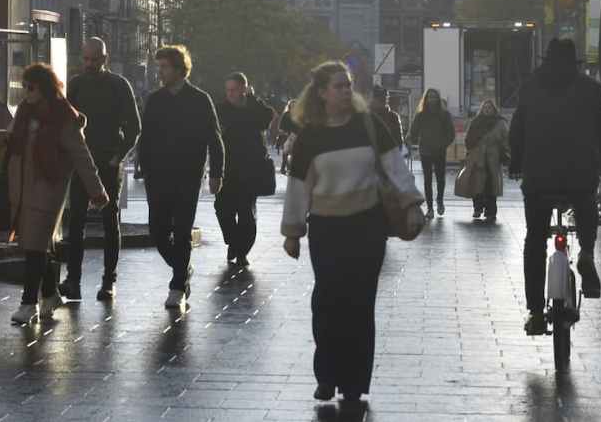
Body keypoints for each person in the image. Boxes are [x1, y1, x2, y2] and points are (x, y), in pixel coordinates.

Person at [282, 61, 422, 406]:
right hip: (327, 228)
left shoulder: (369, 125)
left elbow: (395, 167)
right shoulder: (310, 136)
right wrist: (293, 231)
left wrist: (412, 203)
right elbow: (298, 187)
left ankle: (354, 382)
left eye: (348, 85)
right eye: (338, 86)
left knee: (360, 305)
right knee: (327, 303)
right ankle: (327, 376)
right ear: (322, 93)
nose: (346, 91)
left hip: (367, 226)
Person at [509, 38, 601, 336]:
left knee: (535, 240)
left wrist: (515, 163)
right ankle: (587, 253)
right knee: (586, 205)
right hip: (580, 173)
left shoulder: (530, 87)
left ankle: (536, 311)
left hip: (539, 175)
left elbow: (517, 129)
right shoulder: (591, 90)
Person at [6, 64, 108, 326]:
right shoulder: (24, 112)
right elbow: (13, 145)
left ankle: (28, 304)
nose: (26, 92)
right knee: (35, 244)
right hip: (23, 187)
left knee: (34, 247)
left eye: (31, 87)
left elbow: (81, 155)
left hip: (49, 188)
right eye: (24, 86)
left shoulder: (63, 116)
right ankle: (50, 294)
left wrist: (96, 191)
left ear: (44, 88)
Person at [138, 46, 224, 309]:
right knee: (158, 230)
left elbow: (215, 138)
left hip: (188, 175)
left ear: (178, 69)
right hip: (158, 175)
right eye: (159, 66)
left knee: (183, 230)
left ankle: (177, 286)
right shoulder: (155, 99)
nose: (159, 72)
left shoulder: (200, 99)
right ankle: (182, 268)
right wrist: (144, 167)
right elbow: (147, 136)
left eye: (163, 67)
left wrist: (217, 174)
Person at [62, 38, 141, 302]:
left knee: (109, 220)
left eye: (94, 59)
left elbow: (134, 127)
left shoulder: (119, 86)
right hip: (81, 162)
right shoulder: (76, 84)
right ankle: (73, 280)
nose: (89, 64)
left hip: (108, 162)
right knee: (75, 222)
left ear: (104, 59)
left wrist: (118, 157)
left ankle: (109, 280)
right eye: (85, 59)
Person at [214, 73, 274, 267]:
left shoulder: (254, 108)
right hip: (228, 169)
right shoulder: (221, 110)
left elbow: (267, 117)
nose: (230, 94)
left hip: (250, 169)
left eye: (234, 90)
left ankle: (241, 251)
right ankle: (233, 241)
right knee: (223, 209)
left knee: (247, 213)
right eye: (228, 90)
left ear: (243, 89)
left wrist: (253, 99)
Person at [407, 89, 455, 218]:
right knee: (427, 180)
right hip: (426, 151)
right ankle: (429, 208)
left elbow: (451, 133)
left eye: (434, 97)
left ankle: (439, 201)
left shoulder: (444, 115)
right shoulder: (421, 115)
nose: (432, 99)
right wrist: (413, 139)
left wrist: (443, 144)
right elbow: (414, 131)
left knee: (440, 178)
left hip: (439, 151)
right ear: (426, 99)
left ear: (438, 99)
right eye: (429, 97)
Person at [465, 99, 509, 223]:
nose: (487, 110)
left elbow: (506, 139)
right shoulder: (476, 122)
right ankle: (477, 208)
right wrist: (471, 151)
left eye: (490, 108)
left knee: (491, 184)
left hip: (493, 158)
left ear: (494, 109)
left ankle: (491, 211)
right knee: (477, 183)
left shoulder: (500, 123)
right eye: (485, 107)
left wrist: (506, 153)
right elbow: (468, 138)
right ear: (482, 109)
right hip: (478, 156)